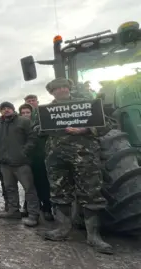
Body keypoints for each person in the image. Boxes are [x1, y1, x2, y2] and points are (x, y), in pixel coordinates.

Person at [42, 78, 113, 254]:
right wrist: (43, 128)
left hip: (85, 157)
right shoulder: (46, 111)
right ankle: (63, 229)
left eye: (64, 87)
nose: (61, 90)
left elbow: (108, 124)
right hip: (57, 159)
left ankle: (94, 236)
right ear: (52, 92)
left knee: (91, 193)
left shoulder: (85, 105)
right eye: (57, 88)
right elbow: (38, 129)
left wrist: (86, 129)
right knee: (59, 193)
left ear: (69, 88)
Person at [0, 101, 40, 227]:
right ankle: (13, 211)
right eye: (3, 109)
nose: (6, 110)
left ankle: (33, 215)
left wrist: (24, 152)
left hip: (21, 163)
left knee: (29, 189)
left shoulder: (23, 121)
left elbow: (33, 138)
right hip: (5, 164)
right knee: (10, 188)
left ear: (13, 109)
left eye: (8, 108)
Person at [19, 103, 54, 221]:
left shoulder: (40, 124)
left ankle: (47, 208)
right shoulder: (20, 126)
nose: (25, 115)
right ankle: (28, 206)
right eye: (22, 113)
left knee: (43, 183)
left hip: (39, 158)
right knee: (28, 185)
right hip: (25, 159)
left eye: (27, 112)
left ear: (32, 113)